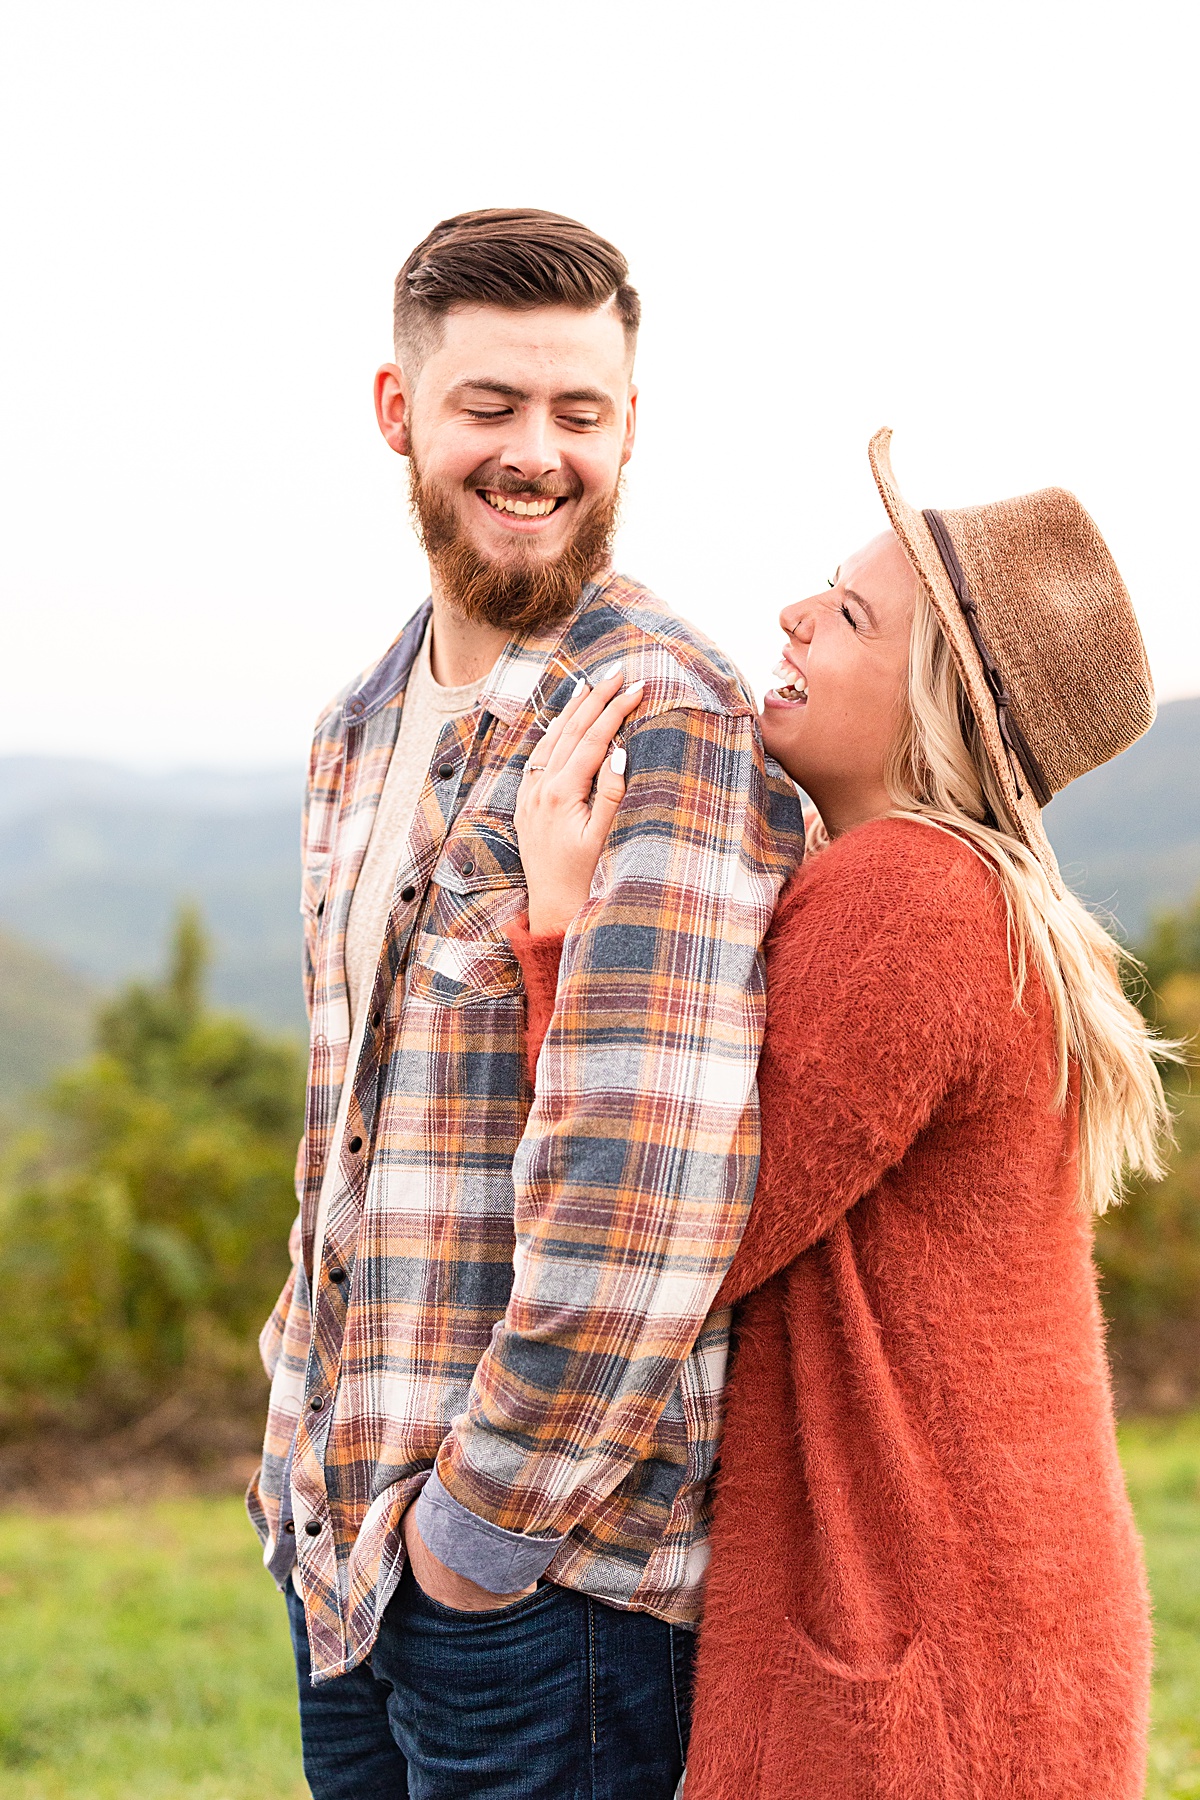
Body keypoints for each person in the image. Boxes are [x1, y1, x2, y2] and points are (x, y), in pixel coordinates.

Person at [507, 428, 1170, 1799]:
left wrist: (564, 933)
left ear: (932, 699)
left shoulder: (905, 904)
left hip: (913, 1642)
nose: (794, 618)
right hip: (1000, 1612)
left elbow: (687, 1233)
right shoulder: (966, 895)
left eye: (850, 614)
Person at [246, 208, 805, 1799]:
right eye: (491, 406)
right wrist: (296, 1444)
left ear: (632, 426)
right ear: (398, 411)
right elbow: (343, 1139)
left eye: (581, 411)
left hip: (547, 1595)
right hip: (340, 1556)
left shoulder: (664, 723)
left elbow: (654, 1186)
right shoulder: (354, 732)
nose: (537, 454)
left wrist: (477, 1538)